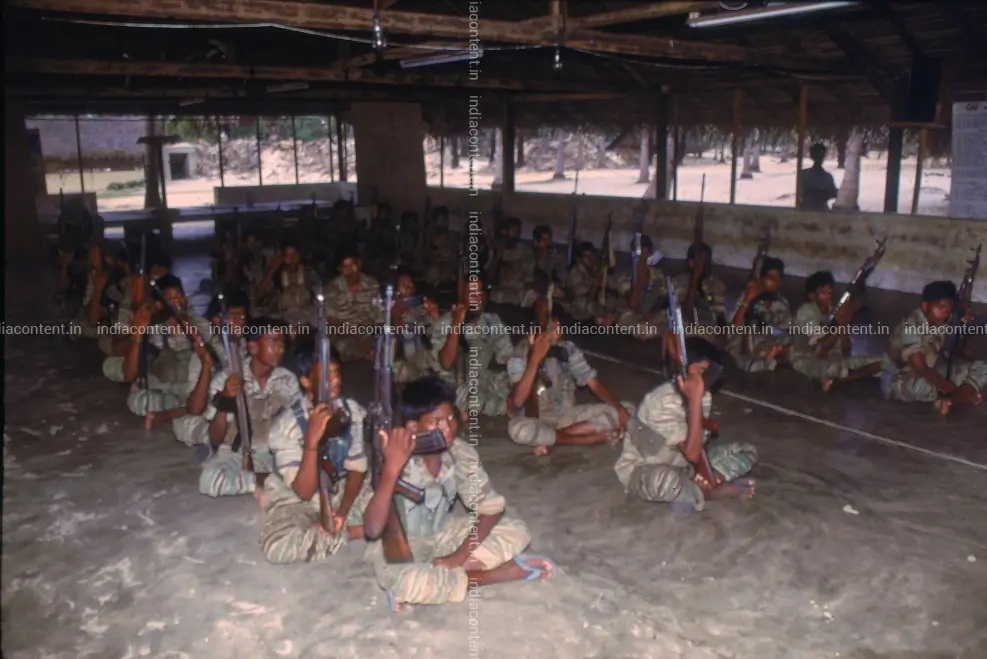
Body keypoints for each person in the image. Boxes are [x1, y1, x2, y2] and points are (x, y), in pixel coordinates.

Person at [364, 377, 553, 611]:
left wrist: (458, 557)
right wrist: (390, 471)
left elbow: (491, 509)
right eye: (436, 422)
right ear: (413, 427)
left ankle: (448, 578)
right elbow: (372, 529)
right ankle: (494, 575)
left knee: (517, 530)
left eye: (451, 417)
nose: (449, 427)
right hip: (405, 544)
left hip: (444, 533)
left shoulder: (459, 452)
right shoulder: (394, 457)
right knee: (407, 582)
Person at [259, 337, 372, 563]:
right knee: (278, 547)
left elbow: (356, 468)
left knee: (392, 509)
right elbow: (303, 491)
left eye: (337, 372)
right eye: (327, 375)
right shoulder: (287, 426)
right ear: (305, 381)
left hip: (338, 489)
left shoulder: (350, 411)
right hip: (296, 499)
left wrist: (343, 511)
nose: (336, 380)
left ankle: (340, 531)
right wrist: (311, 443)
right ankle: (356, 532)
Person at [615, 339, 758, 513]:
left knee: (746, 450)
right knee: (666, 482)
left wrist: (711, 473)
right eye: (699, 370)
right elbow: (692, 453)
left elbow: (698, 444)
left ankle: (709, 482)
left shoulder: (703, 395)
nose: (703, 377)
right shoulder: (663, 401)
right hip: (648, 466)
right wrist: (694, 401)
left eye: (706, 371)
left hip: (684, 463)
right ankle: (709, 493)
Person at [198, 317, 300, 498]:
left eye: (282, 342)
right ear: (253, 347)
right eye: (273, 341)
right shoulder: (226, 379)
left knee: (306, 474)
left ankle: (256, 482)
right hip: (237, 452)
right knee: (210, 480)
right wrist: (225, 399)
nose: (280, 348)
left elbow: (298, 424)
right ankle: (266, 482)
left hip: (275, 452)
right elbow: (215, 438)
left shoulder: (288, 380)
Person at [507, 309, 631, 456]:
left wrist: (619, 409)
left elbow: (594, 384)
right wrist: (534, 361)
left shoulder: (566, 348)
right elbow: (519, 401)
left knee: (626, 409)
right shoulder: (521, 353)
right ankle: (588, 439)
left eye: (559, 329)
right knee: (518, 430)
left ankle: (554, 438)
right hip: (536, 421)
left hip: (566, 416)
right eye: (551, 329)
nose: (555, 334)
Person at [120, 274, 213, 423]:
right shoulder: (153, 329)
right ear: (159, 305)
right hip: (164, 389)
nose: (177, 302)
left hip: (191, 387)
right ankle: (183, 409)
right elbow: (129, 374)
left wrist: (188, 327)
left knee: (208, 396)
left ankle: (178, 410)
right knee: (137, 402)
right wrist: (137, 334)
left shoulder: (200, 324)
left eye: (179, 296)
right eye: (170, 298)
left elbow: (214, 361)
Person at [884, 280, 986, 416]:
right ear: (925, 306)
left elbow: (951, 342)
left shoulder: (945, 319)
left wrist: (962, 344)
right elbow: (918, 365)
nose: (945, 312)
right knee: (924, 386)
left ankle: (952, 399)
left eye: (949, 308)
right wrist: (943, 384)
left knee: (982, 367)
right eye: (940, 306)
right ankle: (957, 396)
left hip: (932, 370)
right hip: (903, 376)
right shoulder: (912, 324)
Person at [171, 292, 249, 446]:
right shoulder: (203, 355)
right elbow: (195, 409)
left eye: (242, 316)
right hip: (215, 417)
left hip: (246, 413)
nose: (240, 321)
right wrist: (206, 364)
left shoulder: (251, 347)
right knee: (185, 425)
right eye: (233, 316)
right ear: (217, 321)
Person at [430, 276, 514, 416]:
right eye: (472, 293)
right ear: (461, 297)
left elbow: (506, 355)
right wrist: (456, 324)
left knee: (516, 387)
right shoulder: (445, 323)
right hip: (454, 384)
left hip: (483, 379)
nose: (478, 298)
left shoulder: (491, 321)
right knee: (466, 399)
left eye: (480, 292)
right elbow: (446, 363)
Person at [790, 271, 883, 391]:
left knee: (883, 362)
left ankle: (840, 380)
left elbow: (846, 351)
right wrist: (839, 325)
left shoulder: (834, 311)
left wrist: (844, 325)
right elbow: (820, 351)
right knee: (832, 369)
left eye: (830, 291)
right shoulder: (807, 312)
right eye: (823, 292)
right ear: (812, 296)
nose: (829, 296)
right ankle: (841, 378)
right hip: (808, 359)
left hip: (836, 358)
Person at [727, 256, 792, 372]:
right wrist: (747, 300)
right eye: (771, 278)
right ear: (760, 279)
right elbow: (732, 329)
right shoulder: (746, 297)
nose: (776, 283)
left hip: (768, 344)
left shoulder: (781, 302)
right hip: (744, 346)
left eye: (778, 278)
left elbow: (785, 329)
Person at [322, 245, 382, 362]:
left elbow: (379, 314)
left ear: (359, 263)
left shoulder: (372, 284)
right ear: (340, 269)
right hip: (344, 336)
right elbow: (332, 321)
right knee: (344, 345)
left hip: (369, 333)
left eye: (353, 264)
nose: (350, 270)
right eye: (345, 266)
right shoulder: (332, 289)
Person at [391, 269, 440, 383]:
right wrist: (396, 316)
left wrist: (435, 315)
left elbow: (435, 334)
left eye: (410, 284)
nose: (407, 288)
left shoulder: (422, 308)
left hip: (421, 358)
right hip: (398, 361)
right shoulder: (388, 308)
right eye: (403, 285)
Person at [256, 243, 314, 326]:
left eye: (294, 254)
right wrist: (271, 270)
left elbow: (318, 295)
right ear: (283, 257)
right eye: (288, 255)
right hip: (283, 320)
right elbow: (260, 296)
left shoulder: (308, 274)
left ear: (299, 256)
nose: (291, 258)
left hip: (306, 319)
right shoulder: (277, 275)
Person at [566, 241, 617, 326]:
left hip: (595, 301)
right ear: (579, 258)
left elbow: (610, 284)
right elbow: (580, 291)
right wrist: (596, 281)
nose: (590, 258)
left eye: (592, 255)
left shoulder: (594, 268)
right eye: (586, 256)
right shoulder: (574, 271)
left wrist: (606, 271)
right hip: (579, 306)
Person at [489, 218, 537, 307]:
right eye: (512, 231)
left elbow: (528, 277)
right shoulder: (496, 249)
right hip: (499, 290)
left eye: (518, 231)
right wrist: (498, 255)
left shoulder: (525, 251)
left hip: (518, 291)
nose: (515, 234)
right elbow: (489, 273)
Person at [799, 143, 838, 212]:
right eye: (818, 156)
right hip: (811, 210)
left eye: (821, 156)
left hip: (811, 210)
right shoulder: (827, 176)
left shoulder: (804, 174)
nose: (819, 158)